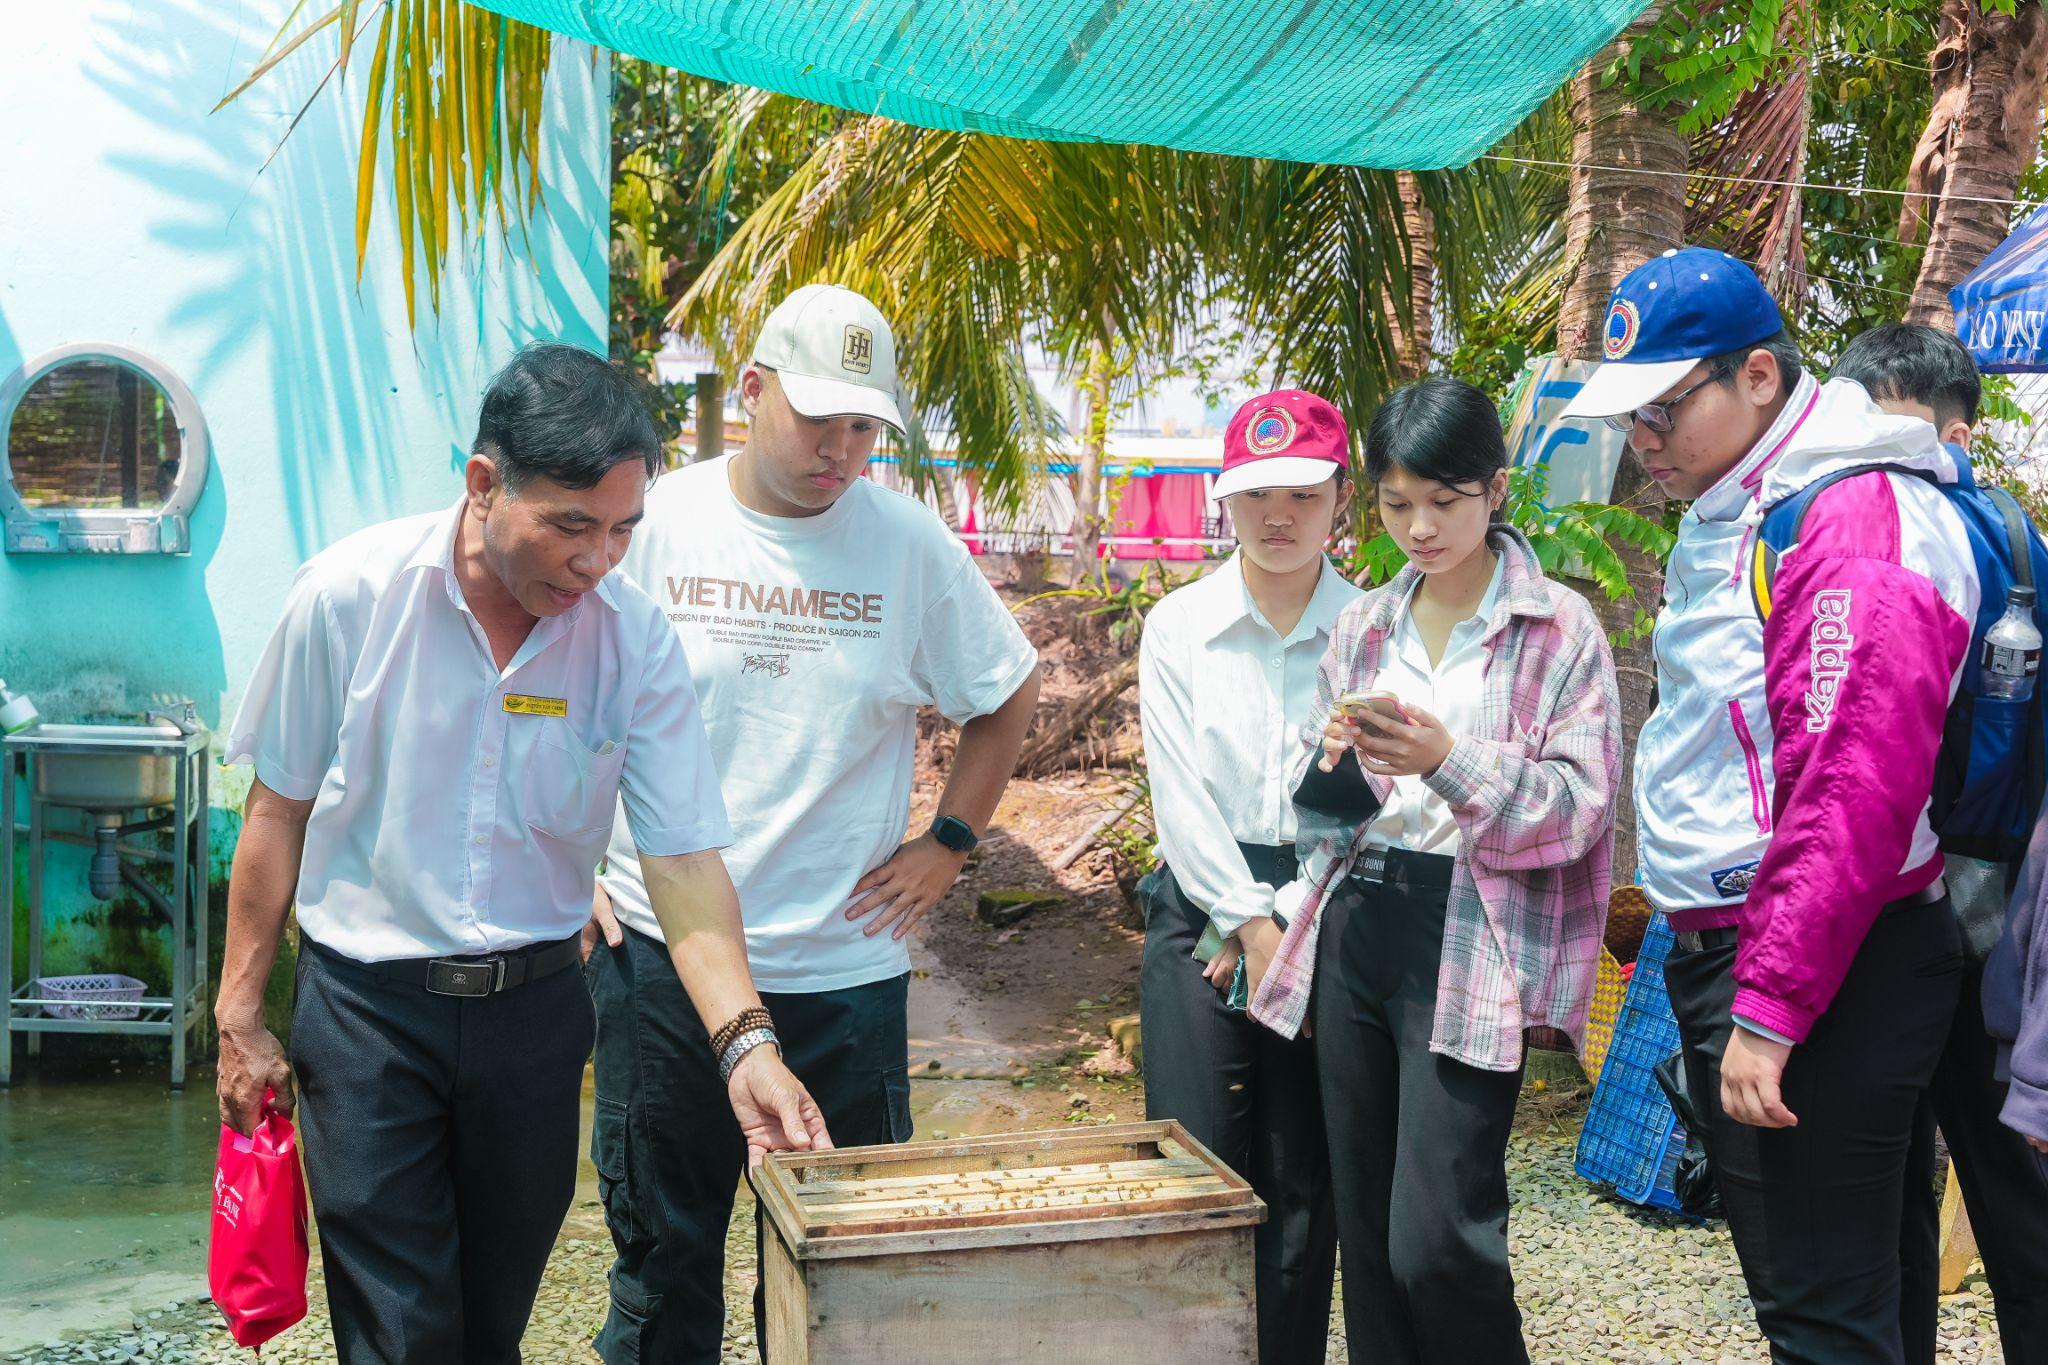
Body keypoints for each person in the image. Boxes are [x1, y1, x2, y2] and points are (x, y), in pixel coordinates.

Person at [213, 344, 828, 1365]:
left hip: (535, 1022)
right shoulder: (348, 598)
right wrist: (238, 1015)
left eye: (624, 530)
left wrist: (746, 1045)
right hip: (368, 1020)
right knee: (403, 1335)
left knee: (490, 1325)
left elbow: (680, 862)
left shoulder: (631, 641)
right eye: (571, 526)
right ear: (484, 485)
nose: (597, 561)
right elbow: (276, 809)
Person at [584, 284, 1042, 1362]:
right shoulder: (657, 522)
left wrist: (949, 842)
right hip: (661, 960)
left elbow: (1004, 690)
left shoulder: (906, 546)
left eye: (863, 426)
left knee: (843, 1273)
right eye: (818, 417)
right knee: (663, 1261)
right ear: (751, 392)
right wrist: (570, 863)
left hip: (842, 972)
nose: (841, 448)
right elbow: (571, 697)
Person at [1561, 249, 1978, 1364]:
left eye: (1660, 409)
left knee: (1817, 1311)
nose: (1640, 440)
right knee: (1865, 1294)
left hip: (1810, 952)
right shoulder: (1749, 495)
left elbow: (1854, 780)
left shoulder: (1841, 517)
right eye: (1627, 417)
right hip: (1794, 940)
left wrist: (1770, 1007)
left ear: (1756, 375)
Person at [1249, 376, 1622, 1365]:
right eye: (1395, 501)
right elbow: (1325, 813)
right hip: (1357, 921)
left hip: (1469, 927)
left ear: (1493, 490)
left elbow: (1578, 811)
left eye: (1442, 502)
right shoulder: (1362, 625)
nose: (1417, 526)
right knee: (1365, 1245)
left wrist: (1442, 759)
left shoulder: (1559, 628)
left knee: (1437, 1239)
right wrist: (1331, 764)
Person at [1834, 321, 2048, 1363]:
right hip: (1981, 901)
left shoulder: (1915, 534)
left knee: (1889, 1189)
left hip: (1915, 907)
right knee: (1998, 1181)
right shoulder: (2017, 540)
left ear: (1954, 434)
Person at [1136, 388, 1355, 1364]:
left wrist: (1291, 928)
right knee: (1192, 1181)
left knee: (1305, 1190)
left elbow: (1365, 801)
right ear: (1223, 500)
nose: (1277, 516)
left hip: (1330, 907)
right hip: (1200, 913)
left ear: (1338, 501)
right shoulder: (1178, 628)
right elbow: (1179, 795)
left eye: (1301, 495)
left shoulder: (1372, 632)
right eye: (1254, 492)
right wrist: (1249, 930)